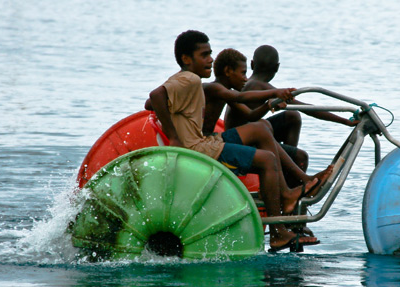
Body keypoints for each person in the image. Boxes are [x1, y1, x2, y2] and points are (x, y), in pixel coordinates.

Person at [145, 30, 319, 251]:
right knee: (266, 160)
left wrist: (175, 116)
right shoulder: (188, 79)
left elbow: (149, 105)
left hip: (202, 143)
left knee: (261, 130)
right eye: (205, 55)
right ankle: (277, 233)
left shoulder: (188, 82)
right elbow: (155, 96)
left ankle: (285, 197)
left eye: (211, 54)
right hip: (198, 149)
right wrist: (175, 137)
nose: (210, 59)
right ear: (186, 59)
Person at [203, 48, 330, 190]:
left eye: (246, 73)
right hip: (220, 142)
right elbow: (240, 98)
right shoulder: (221, 89)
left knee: (281, 119)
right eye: (242, 73)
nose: (245, 78)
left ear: (252, 64)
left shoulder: (228, 91)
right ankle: (290, 194)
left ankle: (290, 189)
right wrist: (275, 93)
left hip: (227, 138)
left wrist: (268, 105)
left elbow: (252, 115)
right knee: (295, 153)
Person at [224, 45, 356, 168]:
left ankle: (285, 164)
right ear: (277, 68)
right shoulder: (262, 87)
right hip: (242, 143)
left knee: (291, 115)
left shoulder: (250, 85)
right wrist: (345, 121)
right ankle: (290, 173)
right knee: (301, 157)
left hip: (242, 135)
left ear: (252, 64)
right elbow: (308, 109)